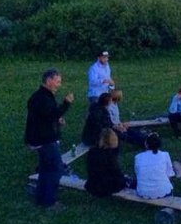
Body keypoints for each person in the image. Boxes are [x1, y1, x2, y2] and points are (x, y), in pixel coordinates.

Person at [24, 68, 74, 210]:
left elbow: (46, 115)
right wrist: (66, 103)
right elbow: (50, 115)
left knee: (45, 169)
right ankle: (50, 202)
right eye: (57, 81)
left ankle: (41, 197)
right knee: (54, 169)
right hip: (44, 140)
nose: (59, 84)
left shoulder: (43, 96)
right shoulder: (42, 98)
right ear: (48, 81)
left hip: (41, 137)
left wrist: (57, 119)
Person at [85, 129, 130, 197]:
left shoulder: (92, 151)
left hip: (92, 184)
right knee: (128, 181)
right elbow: (116, 173)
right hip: (105, 188)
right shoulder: (109, 157)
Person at [134, 133, 175, 199]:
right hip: (163, 191)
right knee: (170, 183)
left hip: (143, 192)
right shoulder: (165, 155)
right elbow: (170, 174)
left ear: (146, 145)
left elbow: (137, 173)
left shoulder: (138, 157)